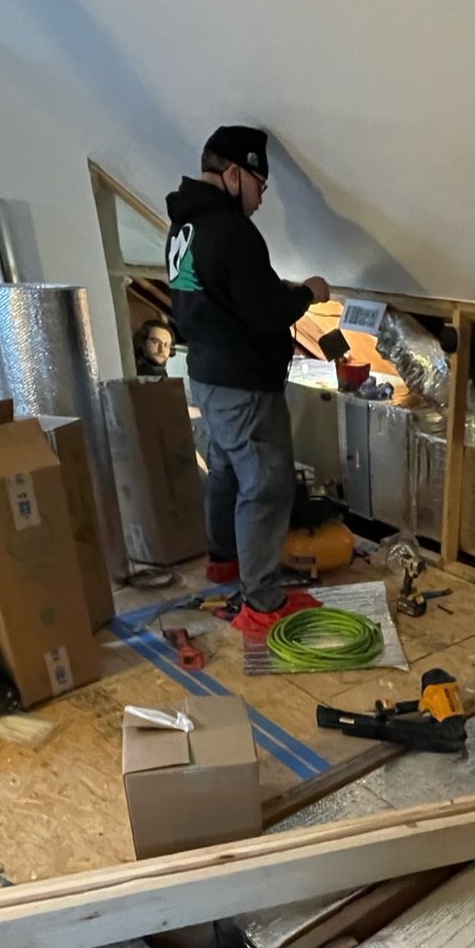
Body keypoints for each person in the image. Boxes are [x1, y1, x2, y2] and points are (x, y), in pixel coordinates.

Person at [165, 124, 330, 635]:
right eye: (259, 184)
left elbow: (218, 291)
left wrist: (266, 289)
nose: (261, 198)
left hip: (210, 375)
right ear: (233, 174)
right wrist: (307, 293)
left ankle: (224, 561)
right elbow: (264, 311)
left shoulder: (184, 226)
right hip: (244, 382)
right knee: (266, 485)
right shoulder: (232, 230)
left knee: (227, 470)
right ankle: (261, 600)